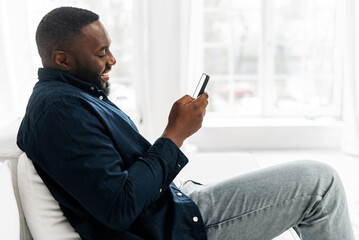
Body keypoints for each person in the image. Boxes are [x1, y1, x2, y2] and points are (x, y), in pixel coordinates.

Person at [17, 6, 354, 240]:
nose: (112, 60)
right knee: (320, 183)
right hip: (170, 228)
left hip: (172, 205)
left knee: (303, 184)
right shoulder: (59, 112)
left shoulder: (74, 97)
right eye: (101, 52)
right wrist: (175, 134)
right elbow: (118, 207)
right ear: (62, 59)